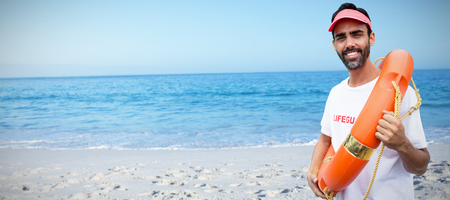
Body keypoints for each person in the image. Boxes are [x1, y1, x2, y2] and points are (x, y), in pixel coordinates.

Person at [307, 3, 430, 199]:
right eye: (341, 37)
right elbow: (325, 139)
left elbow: (421, 166)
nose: (349, 44)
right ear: (334, 45)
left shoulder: (400, 93)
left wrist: (402, 144)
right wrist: (313, 171)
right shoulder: (336, 93)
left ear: (371, 38)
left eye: (357, 34)